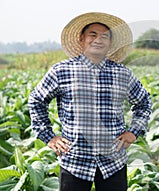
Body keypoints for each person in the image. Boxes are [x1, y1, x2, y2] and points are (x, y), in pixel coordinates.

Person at [28, 12, 152, 191]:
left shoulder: (122, 74)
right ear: (81, 39)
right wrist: (49, 137)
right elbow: (36, 100)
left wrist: (134, 132)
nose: (98, 40)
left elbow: (144, 102)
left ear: (110, 43)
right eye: (92, 34)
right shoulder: (62, 71)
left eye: (105, 36)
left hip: (113, 161)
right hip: (74, 161)